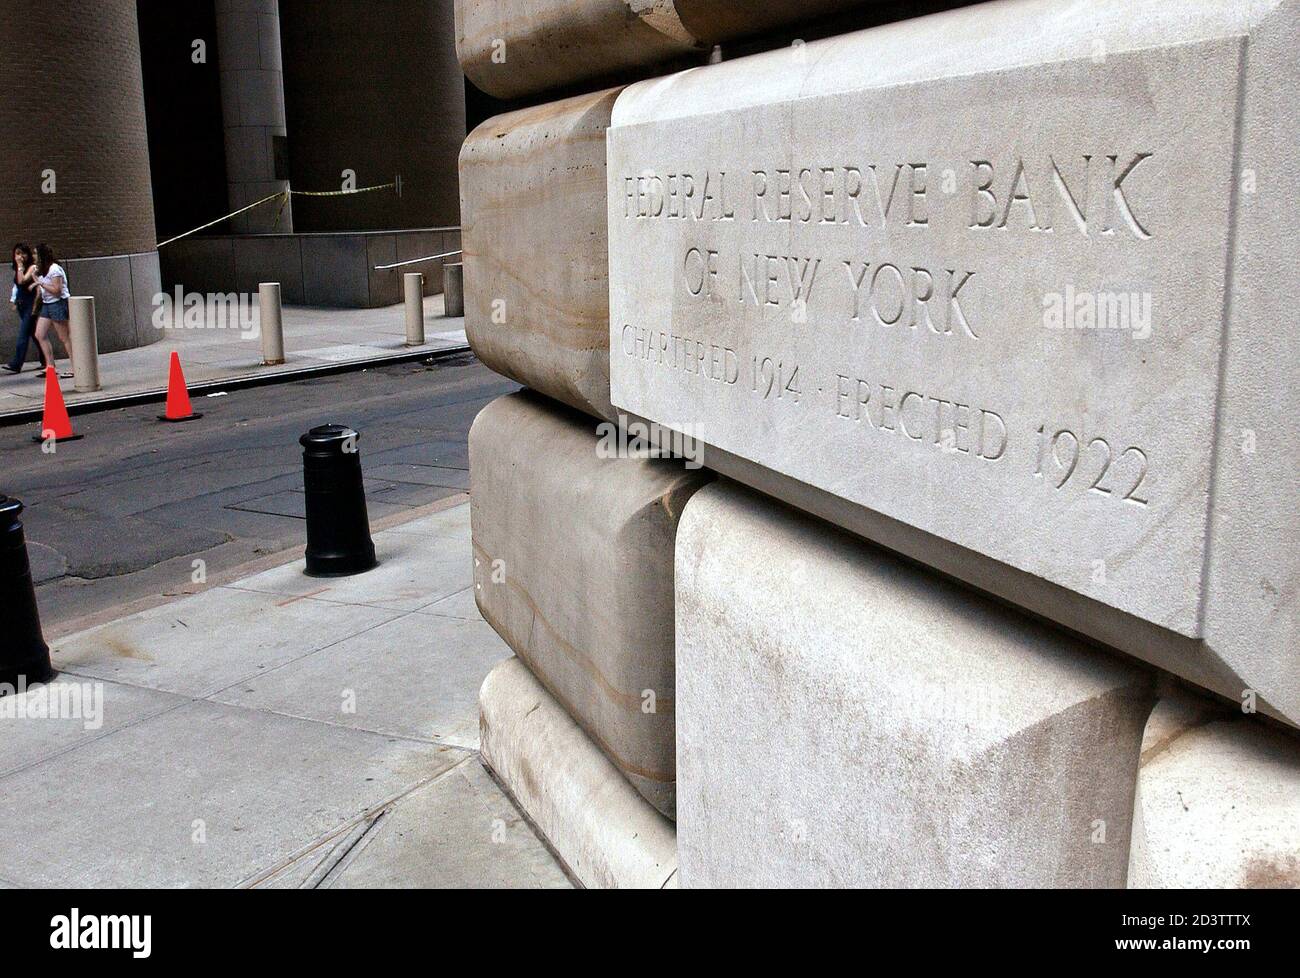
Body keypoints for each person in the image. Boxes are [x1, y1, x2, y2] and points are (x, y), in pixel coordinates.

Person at [31, 243, 74, 378]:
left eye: (35, 253)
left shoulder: (54, 269)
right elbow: (41, 291)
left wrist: (40, 282)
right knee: (39, 334)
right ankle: (50, 366)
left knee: (64, 336)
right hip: (47, 304)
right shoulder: (40, 270)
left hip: (58, 303)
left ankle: (76, 367)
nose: (33, 256)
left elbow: (57, 290)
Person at [3, 243, 46, 374]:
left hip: (30, 303)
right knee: (33, 333)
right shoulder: (17, 269)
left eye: (23, 253)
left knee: (23, 333)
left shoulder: (32, 267)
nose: (20, 256)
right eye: (17, 253)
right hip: (22, 303)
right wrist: (14, 300)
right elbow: (17, 286)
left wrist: (20, 266)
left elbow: (22, 281)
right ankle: (45, 359)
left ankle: (17, 363)